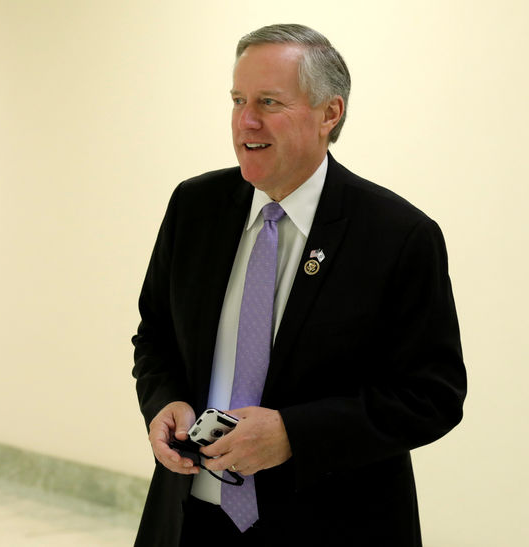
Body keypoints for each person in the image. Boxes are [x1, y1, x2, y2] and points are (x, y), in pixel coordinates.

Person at [131, 23, 466, 547]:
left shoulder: (399, 236)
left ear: (329, 114)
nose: (246, 120)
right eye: (238, 99)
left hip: (330, 524)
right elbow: (154, 336)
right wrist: (164, 401)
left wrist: (294, 435)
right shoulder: (194, 208)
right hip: (189, 519)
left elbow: (432, 396)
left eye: (268, 101)